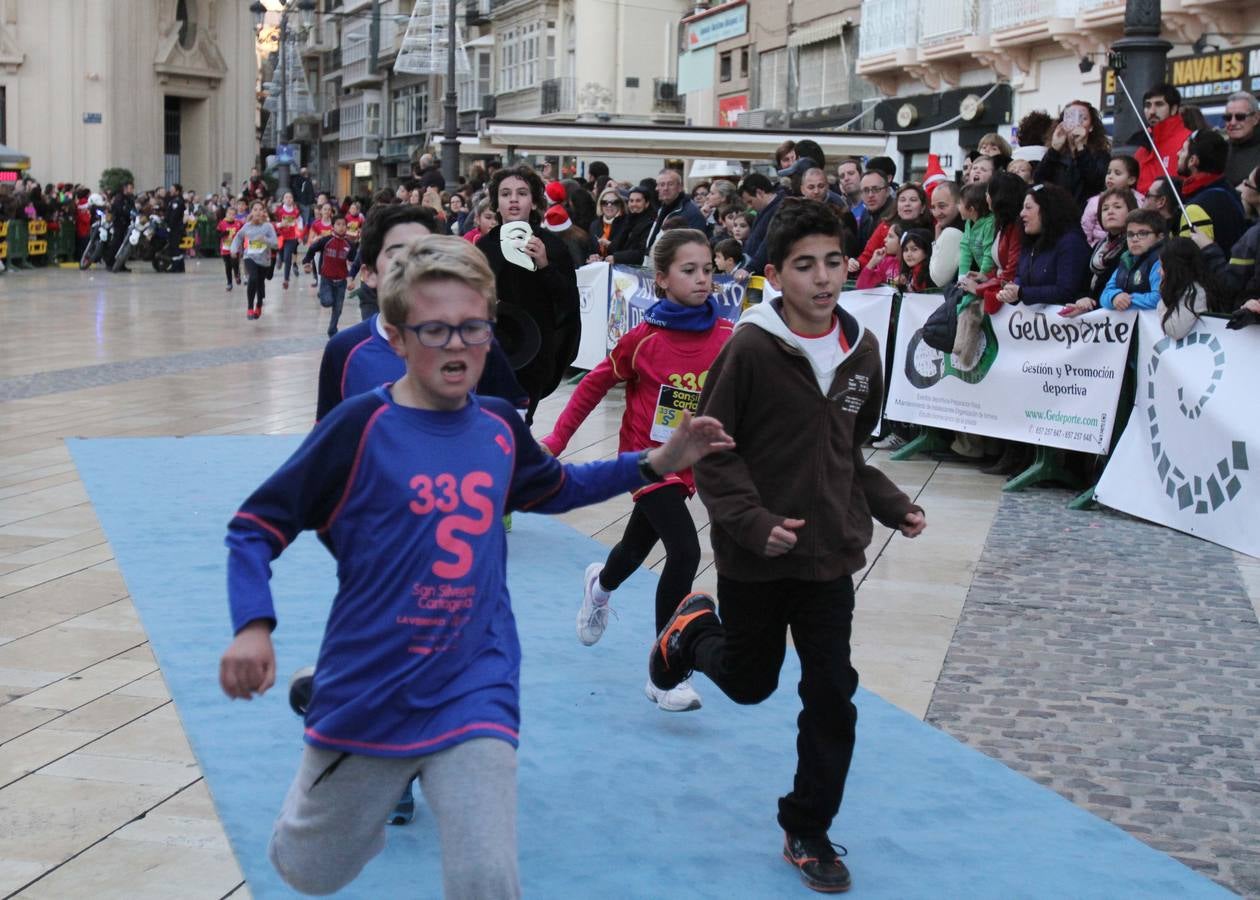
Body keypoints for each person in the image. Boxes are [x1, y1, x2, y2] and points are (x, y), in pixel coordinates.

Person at [220, 235, 734, 899]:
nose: (457, 344)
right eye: (435, 329)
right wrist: (251, 625)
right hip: (372, 679)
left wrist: (654, 464)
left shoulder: (497, 425)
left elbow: (556, 488)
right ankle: (348, 756)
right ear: (399, 339)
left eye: (473, 328)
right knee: (310, 869)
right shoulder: (359, 429)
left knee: (488, 880)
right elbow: (255, 525)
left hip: (476, 678)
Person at [647, 199, 926, 895]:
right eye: (805, 265)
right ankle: (691, 630)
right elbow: (712, 454)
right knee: (750, 682)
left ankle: (808, 826)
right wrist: (750, 520)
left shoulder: (862, 347)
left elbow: (848, 452)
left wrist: (892, 504)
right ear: (774, 274)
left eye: (833, 262)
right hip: (755, 555)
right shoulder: (749, 348)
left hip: (830, 553)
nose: (823, 278)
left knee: (832, 691)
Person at [539, 229, 735, 712]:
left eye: (708, 269)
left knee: (633, 548)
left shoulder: (729, 337)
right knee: (685, 551)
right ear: (662, 280)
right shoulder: (642, 341)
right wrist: (555, 441)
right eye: (689, 271)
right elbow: (590, 388)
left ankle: (600, 584)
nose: (702, 279)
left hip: (689, 468)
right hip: (646, 462)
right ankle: (664, 674)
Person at [477, 166, 582, 425]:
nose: (513, 199)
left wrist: (545, 266)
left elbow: (568, 301)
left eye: (522, 193)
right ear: (496, 202)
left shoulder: (553, 246)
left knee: (518, 422)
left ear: (534, 201)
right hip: (488, 348)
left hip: (533, 351)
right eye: (505, 193)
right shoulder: (484, 246)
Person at [997, 183, 1090, 307]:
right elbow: (1020, 276)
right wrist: (1012, 292)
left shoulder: (1071, 242)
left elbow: (1066, 291)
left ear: (1048, 209)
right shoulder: (1030, 242)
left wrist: (1022, 293)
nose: (1022, 213)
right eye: (1022, 208)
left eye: (1028, 207)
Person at [1062, 187, 1140, 319]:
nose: (1110, 211)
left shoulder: (1135, 246)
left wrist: (1095, 304)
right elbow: (1083, 283)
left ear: (1131, 211)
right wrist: (1083, 300)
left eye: (1117, 207)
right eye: (1105, 208)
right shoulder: (1098, 247)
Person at [1175, 128, 1247, 253]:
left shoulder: (1202, 203)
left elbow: (1187, 260)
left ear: (1193, 161)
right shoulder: (1227, 191)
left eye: (1183, 150)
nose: (1177, 154)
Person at [1034, 101, 1110, 207]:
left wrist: (1081, 148)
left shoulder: (1100, 155)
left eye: (1083, 118)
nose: (1076, 123)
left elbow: (1096, 183)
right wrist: (1054, 150)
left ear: (1091, 127)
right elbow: (1039, 179)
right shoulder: (1055, 154)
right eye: (1071, 117)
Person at [1097, 208, 1166, 312]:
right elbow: (1104, 295)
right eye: (1130, 234)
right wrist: (1114, 297)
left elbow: (1159, 298)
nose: (1134, 239)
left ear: (1160, 237)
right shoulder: (1126, 259)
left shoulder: (1161, 260)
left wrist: (1126, 300)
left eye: (1142, 233)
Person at [1133, 83, 1191, 194]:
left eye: (1159, 104)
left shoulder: (1189, 141)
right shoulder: (1142, 151)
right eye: (1148, 105)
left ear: (1174, 109)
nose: (1152, 111)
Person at [303, 216, 354, 337]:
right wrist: (306, 261)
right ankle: (322, 294)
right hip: (326, 278)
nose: (341, 227)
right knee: (327, 302)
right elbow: (312, 248)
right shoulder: (326, 240)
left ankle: (332, 330)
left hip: (341, 281)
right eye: (338, 224)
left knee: (338, 308)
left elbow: (354, 261)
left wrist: (351, 278)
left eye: (343, 225)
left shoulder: (350, 244)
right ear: (333, 226)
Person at [230, 201, 279, 320]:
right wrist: (233, 249)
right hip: (250, 256)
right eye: (255, 209)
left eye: (260, 209)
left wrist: (265, 240)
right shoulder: (246, 227)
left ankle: (259, 305)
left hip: (264, 260)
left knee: (260, 285)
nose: (257, 212)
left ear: (263, 212)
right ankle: (250, 308)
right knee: (253, 278)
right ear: (251, 212)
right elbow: (238, 238)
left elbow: (276, 244)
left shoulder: (268, 227)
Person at [733, 173, 787, 279]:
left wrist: (750, 268)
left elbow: (769, 242)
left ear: (759, 193)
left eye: (750, 201)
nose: (750, 207)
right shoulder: (765, 210)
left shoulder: (780, 209)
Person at [1081, 155, 1142, 243]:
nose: (1110, 176)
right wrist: (1089, 245)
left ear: (1131, 180)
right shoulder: (1096, 201)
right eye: (1109, 172)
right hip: (1098, 245)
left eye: (1117, 173)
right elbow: (1086, 225)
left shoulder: (1140, 200)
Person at [644, 168, 708, 250]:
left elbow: (693, 248)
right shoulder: (663, 208)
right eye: (662, 184)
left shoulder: (691, 212)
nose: (665, 188)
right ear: (657, 188)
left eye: (670, 184)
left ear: (680, 187)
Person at [605, 186, 654, 265]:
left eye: (638, 201)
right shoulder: (622, 221)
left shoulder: (651, 223)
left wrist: (617, 257)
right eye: (631, 201)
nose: (634, 204)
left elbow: (642, 252)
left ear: (647, 203)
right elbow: (612, 248)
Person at [929, 181, 965, 287]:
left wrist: (936, 243)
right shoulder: (954, 227)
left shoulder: (952, 233)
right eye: (933, 207)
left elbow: (938, 279)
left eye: (942, 206)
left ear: (959, 203)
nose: (937, 213)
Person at [1223, 92, 1260, 188]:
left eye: (1240, 117)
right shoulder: (1218, 149)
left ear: (1256, 118)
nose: (1233, 122)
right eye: (1228, 117)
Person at [854, 223, 903, 289]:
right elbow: (861, 286)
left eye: (890, 236)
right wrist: (872, 262)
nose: (885, 240)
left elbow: (909, 287)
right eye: (886, 236)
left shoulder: (912, 264)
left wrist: (894, 283)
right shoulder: (886, 263)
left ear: (902, 240)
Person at [273, 192, 303, 289]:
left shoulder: (296, 212)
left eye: (290, 197)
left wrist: (299, 236)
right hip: (281, 236)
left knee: (287, 256)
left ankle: (286, 279)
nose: (289, 199)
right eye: (286, 197)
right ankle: (279, 259)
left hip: (292, 237)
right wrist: (280, 224)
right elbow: (273, 222)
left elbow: (299, 224)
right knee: (282, 255)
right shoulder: (278, 211)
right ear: (283, 200)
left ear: (293, 200)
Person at [586, 188, 625, 262]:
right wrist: (593, 256)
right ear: (600, 205)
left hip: (620, 269)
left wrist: (610, 245)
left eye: (614, 202)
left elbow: (629, 251)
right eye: (604, 202)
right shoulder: (594, 225)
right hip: (600, 269)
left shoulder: (627, 223)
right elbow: (591, 249)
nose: (609, 205)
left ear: (620, 205)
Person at [217, 205, 243, 292]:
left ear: (235, 215)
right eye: (229, 214)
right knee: (228, 266)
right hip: (225, 248)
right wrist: (225, 233)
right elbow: (217, 235)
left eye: (233, 214)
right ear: (226, 214)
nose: (231, 216)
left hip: (235, 248)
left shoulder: (238, 223)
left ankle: (237, 274)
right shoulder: (222, 223)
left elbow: (243, 233)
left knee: (235, 263)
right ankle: (229, 283)